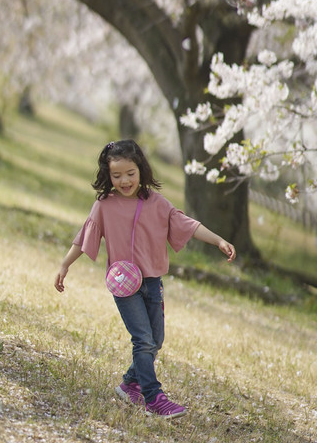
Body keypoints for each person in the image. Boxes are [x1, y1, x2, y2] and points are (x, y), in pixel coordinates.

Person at [54, 139, 236, 420]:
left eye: (130, 174)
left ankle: (130, 383)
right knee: (142, 340)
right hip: (124, 286)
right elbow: (84, 238)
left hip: (152, 283)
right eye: (116, 175)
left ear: (141, 170)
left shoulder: (157, 204)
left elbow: (187, 224)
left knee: (156, 340)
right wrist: (65, 265)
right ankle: (153, 398)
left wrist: (218, 241)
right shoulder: (104, 205)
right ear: (107, 175)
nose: (124, 180)